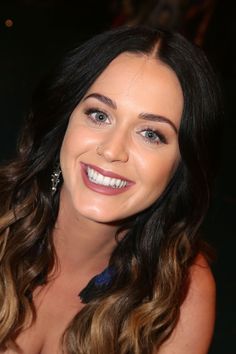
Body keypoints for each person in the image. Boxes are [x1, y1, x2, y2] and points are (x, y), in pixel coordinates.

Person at [0, 25, 222, 354]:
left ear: (181, 165)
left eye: (151, 134)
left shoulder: (181, 290)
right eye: (99, 115)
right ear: (65, 121)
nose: (113, 150)